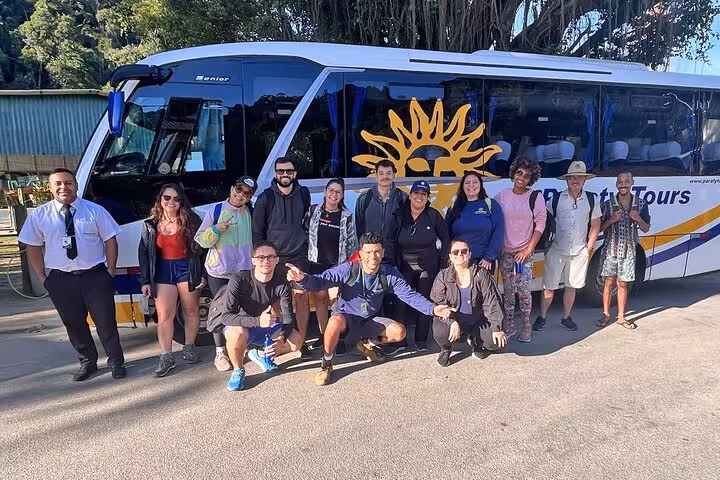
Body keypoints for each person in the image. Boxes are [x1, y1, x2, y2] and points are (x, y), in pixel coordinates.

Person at [286, 232, 453, 386]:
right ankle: (326, 364)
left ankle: (366, 344)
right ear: (360, 254)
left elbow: (409, 295)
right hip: (346, 318)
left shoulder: (389, 274)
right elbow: (320, 281)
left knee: (399, 332)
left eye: (377, 251)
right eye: (368, 252)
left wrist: (433, 309)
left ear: (383, 252)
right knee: (334, 321)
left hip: (369, 320)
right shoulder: (349, 269)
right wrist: (302, 279)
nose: (373, 256)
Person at [18, 168, 126, 381]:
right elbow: (32, 246)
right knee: (74, 324)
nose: (63, 187)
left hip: (95, 277)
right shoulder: (40, 215)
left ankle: (116, 361)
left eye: (68, 183)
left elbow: (110, 240)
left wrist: (110, 271)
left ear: (76, 185)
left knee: (106, 323)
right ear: (50, 188)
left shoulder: (94, 211)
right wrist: (43, 278)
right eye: (58, 183)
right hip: (61, 279)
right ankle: (88, 362)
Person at [206, 242, 303, 391]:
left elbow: (289, 319)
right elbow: (226, 317)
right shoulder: (239, 279)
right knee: (238, 333)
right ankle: (238, 370)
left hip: (262, 326)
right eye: (261, 257)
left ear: (277, 260)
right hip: (240, 326)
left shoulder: (281, 284)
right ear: (253, 260)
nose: (266, 261)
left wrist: (280, 339)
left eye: (270, 257)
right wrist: (257, 321)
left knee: (296, 341)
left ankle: (259, 353)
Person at [138, 184, 205, 377]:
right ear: (160, 200)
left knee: (191, 311)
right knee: (165, 315)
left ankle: (189, 347)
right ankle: (166, 356)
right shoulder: (150, 224)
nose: (171, 202)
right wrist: (145, 280)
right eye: (167, 198)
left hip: (187, 267)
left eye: (176, 199)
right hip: (163, 270)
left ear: (181, 201)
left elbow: (203, 247)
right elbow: (143, 252)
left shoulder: (191, 220)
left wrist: (202, 274)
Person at [195, 176, 257, 372]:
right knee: (220, 310)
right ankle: (220, 353)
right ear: (232, 188)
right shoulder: (216, 210)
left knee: (244, 309)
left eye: (246, 193)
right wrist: (216, 229)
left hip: (244, 271)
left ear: (249, 198)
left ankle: (243, 346)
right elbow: (201, 240)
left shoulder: (251, 212)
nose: (241, 194)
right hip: (219, 271)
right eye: (239, 189)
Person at [253, 155, 312, 359]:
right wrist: (263, 260)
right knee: (277, 302)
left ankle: (301, 340)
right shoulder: (265, 199)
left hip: (299, 255)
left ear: (294, 173)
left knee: (301, 298)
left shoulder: (304, 194)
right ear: (276, 173)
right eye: (280, 171)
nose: (284, 174)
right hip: (275, 258)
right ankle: (282, 339)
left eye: (288, 171)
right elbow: (258, 234)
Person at [534, 161, 601, 332]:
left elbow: (595, 225)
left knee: (571, 287)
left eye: (579, 177)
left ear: (584, 180)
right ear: (567, 180)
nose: (575, 180)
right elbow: (546, 223)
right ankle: (542, 317)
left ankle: (566, 317)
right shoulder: (556, 199)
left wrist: (589, 248)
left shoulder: (592, 199)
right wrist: (547, 248)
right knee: (549, 286)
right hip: (556, 249)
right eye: (572, 177)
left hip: (579, 251)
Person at [385, 180, 450, 352]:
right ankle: (400, 342)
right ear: (410, 195)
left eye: (423, 194)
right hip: (403, 266)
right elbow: (390, 241)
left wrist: (443, 266)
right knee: (400, 303)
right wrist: (391, 264)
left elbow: (445, 239)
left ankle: (421, 340)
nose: (419, 197)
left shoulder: (433, 215)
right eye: (416, 193)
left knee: (425, 301)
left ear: (428, 197)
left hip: (428, 268)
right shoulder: (399, 215)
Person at [430, 240, 507, 366]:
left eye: (464, 251)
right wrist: (452, 321)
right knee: (440, 331)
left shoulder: (481, 274)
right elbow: (439, 303)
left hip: (477, 320)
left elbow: (492, 301)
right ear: (450, 256)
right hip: (454, 319)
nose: (460, 254)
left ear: (469, 254)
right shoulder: (443, 276)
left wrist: (497, 328)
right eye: (455, 252)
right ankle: (446, 349)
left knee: (496, 343)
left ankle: (476, 340)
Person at [304, 178, 358, 356]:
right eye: (331, 191)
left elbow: (352, 244)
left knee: (336, 302)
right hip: (316, 264)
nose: (334, 195)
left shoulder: (347, 216)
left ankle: (339, 336)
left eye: (338, 192)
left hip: (337, 265)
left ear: (342, 195)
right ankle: (323, 334)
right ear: (325, 191)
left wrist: (349, 267)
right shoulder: (313, 211)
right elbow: (305, 233)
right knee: (320, 299)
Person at [495, 155, 546, 342]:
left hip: (524, 254)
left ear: (531, 180)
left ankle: (526, 325)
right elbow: (492, 218)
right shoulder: (501, 196)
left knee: (524, 292)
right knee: (508, 292)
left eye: (526, 176)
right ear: (513, 173)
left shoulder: (535, 197)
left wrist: (527, 250)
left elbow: (540, 224)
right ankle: (509, 325)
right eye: (519, 173)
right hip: (506, 253)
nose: (522, 178)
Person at [596, 171, 651, 330]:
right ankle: (605, 314)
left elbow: (646, 228)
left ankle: (621, 317)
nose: (623, 184)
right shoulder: (607, 204)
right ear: (616, 184)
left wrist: (638, 218)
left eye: (627, 181)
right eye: (620, 181)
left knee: (622, 283)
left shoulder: (641, 204)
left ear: (632, 182)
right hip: (610, 250)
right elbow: (599, 228)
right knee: (609, 282)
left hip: (629, 252)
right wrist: (611, 220)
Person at [446, 171, 504, 270]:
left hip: (483, 262)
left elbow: (498, 233)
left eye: (475, 182)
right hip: (459, 261)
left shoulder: (491, 205)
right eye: (467, 182)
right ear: (462, 186)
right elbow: (446, 234)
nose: (471, 185)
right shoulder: (454, 208)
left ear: (481, 185)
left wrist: (489, 257)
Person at [355, 159, 408, 239]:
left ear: (394, 175)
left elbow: (407, 226)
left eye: (388, 173)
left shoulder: (403, 198)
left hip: (394, 249)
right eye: (381, 173)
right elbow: (358, 227)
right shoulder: (364, 198)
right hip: (371, 249)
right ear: (376, 176)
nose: (385, 177)